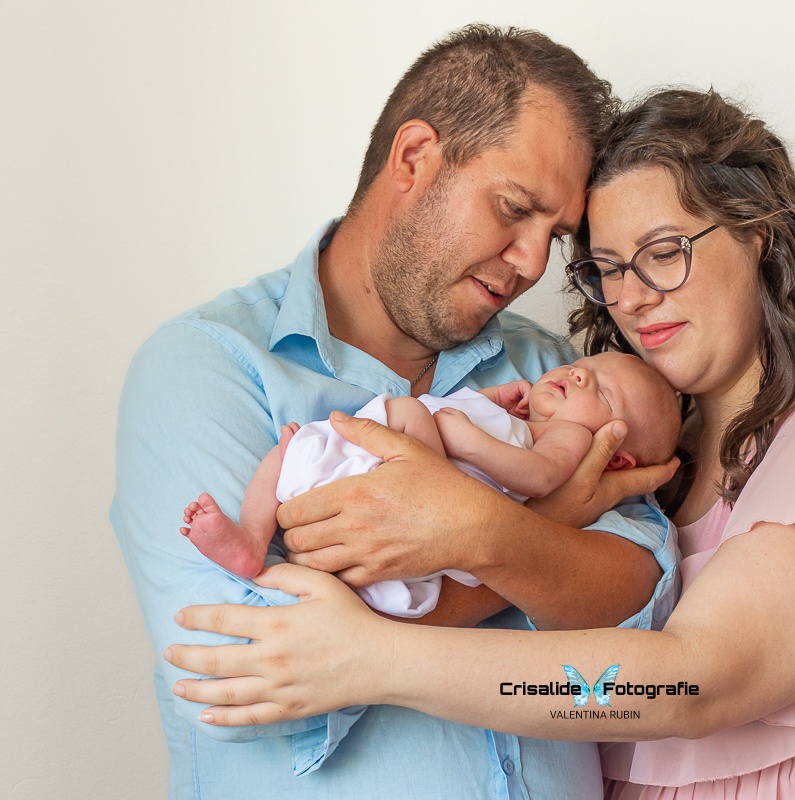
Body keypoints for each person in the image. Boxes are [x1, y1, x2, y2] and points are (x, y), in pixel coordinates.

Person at [166, 88, 795, 799]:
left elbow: (686, 684)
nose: (633, 297)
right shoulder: (643, 459)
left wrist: (374, 658)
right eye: (606, 267)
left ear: (759, 234)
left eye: (664, 251)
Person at [112, 25, 681, 799]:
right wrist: (543, 529)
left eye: (554, 237)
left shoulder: (556, 373)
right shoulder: (207, 367)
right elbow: (249, 677)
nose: (531, 264)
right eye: (514, 209)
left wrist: (478, 538)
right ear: (414, 159)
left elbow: (641, 623)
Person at [182, 352, 681, 618]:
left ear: (615, 457)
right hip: (372, 471)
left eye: (602, 390)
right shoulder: (521, 417)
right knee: (289, 446)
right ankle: (250, 537)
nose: (578, 376)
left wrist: (467, 441)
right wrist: (489, 401)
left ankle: (256, 537)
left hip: (417, 491)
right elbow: (459, 411)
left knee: (405, 411)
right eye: (584, 366)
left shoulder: (567, 439)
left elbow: (539, 476)